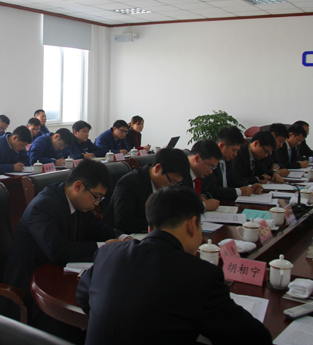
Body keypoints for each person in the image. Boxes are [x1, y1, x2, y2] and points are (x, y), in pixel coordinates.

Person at [77, 185, 273, 345]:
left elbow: (83, 297)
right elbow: (254, 339)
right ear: (192, 225)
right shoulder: (201, 275)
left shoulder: (108, 253)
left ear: (150, 228)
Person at [3, 159, 126, 341]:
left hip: (60, 278)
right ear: (78, 186)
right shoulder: (43, 206)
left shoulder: (78, 202)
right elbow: (57, 250)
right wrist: (104, 247)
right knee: (84, 329)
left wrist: (122, 237)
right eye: (96, 196)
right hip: (32, 293)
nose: (97, 203)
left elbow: (98, 227)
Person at [108, 148, 189, 234]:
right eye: (172, 181)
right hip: (124, 236)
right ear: (157, 168)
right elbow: (123, 222)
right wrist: (162, 224)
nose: (173, 186)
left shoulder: (170, 183)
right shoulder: (129, 184)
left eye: (177, 183)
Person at [201, 127, 261, 201]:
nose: (235, 154)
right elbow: (212, 189)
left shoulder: (227, 160)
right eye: (234, 150)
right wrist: (239, 191)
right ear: (222, 146)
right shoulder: (209, 161)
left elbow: (233, 181)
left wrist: (249, 187)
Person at [182, 140, 222, 211]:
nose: (210, 172)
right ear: (197, 158)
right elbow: (178, 205)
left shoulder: (199, 172)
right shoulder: (179, 173)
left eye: (213, 168)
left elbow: (206, 190)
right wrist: (203, 205)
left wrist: (202, 196)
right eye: (210, 166)